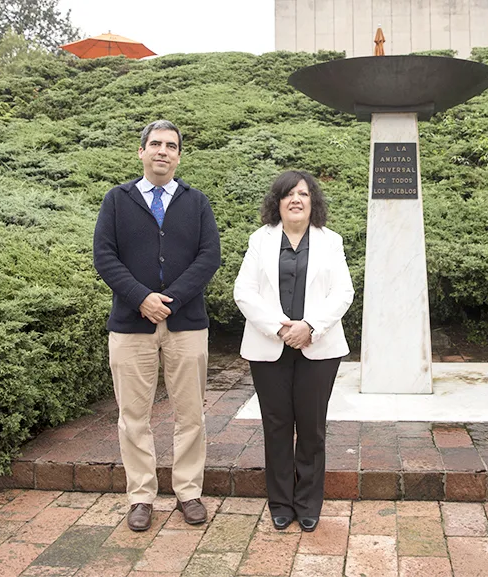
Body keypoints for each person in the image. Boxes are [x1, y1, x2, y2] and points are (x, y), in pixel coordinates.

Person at [93, 119, 221, 532]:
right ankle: (141, 496)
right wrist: (141, 298)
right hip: (131, 326)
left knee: (191, 415)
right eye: (155, 144)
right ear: (142, 152)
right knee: (134, 415)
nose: (163, 151)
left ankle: (188, 492)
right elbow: (105, 256)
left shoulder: (196, 201)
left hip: (187, 324)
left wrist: (172, 299)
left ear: (179, 155)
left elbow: (209, 256)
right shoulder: (117, 200)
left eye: (171, 145)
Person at [233, 170, 354, 532]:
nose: (296, 200)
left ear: (313, 201)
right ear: (278, 202)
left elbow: (342, 293)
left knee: (313, 429)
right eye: (288, 195)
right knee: (277, 426)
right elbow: (244, 291)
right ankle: (281, 502)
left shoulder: (330, 241)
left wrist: (309, 327)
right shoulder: (260, 240)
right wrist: (280, 327)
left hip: (319, 347)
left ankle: (308, 502)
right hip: (269, 346)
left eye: (303, 194)